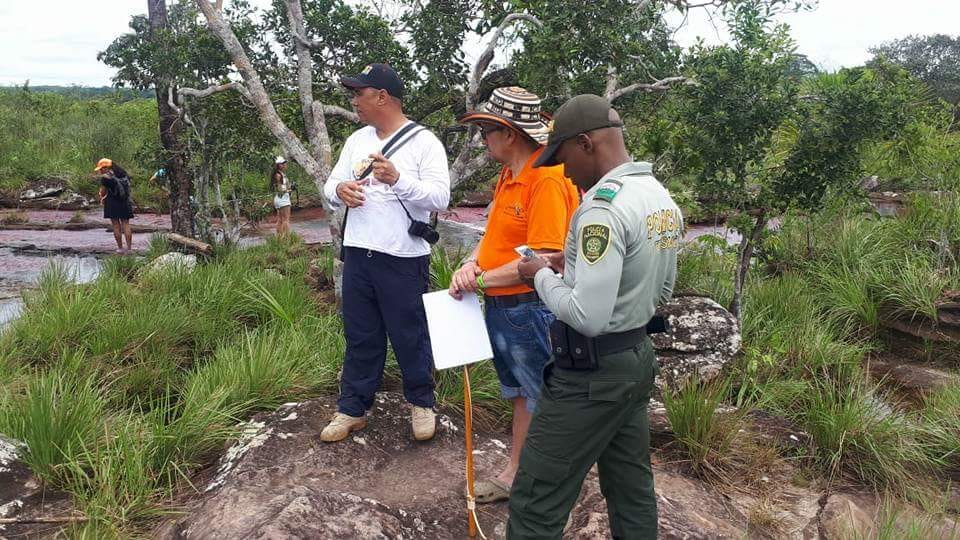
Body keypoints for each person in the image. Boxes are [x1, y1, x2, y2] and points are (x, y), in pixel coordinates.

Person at [508, 94, 683, 539]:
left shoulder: (601, 209)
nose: (563, 171)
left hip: (591, 373)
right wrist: (577, 269)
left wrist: (538, 276)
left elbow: (586, 316)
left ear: (586, 143)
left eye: (563, 156)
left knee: (536, 495)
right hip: (636, 359)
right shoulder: (657, 195)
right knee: (630, 485)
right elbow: (661, 288)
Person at [449, 87, 579, 503]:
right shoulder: (511, 176)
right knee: (524, 393)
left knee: (542, 395)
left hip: (531, 307)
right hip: (508, 306)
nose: (483, 137)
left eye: (488, 129)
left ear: (510, 134)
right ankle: (516, 473)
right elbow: (495, 238)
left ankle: (542, 485)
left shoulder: (546, 181)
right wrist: (473, 264)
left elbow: (546, 259)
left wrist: (479, 280)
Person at [321, 63, 451, 443]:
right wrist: (339, 190)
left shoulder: (424, 142)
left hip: (403, 256)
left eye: (358, 93)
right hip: (359, 252)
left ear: (382, 97)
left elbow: (440, 196)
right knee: (360, 334)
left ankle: (422, 403)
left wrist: (399, 179)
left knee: (409, 333)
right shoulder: (357, 140)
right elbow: (330, 184)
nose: (353, 101)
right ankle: (352, 408)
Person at [94, 158, 134, 254]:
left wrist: (101, 196)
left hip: (112, 203)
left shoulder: (105, 178)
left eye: (101, 169)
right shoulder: (123, 174)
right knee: (126, 224)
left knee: (116, 225)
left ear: (106, 167)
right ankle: (129, 248)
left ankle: (120, 248)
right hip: (125, 201)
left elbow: (103, 192)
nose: (100, 171)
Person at [271, 156, 292, 236]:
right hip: (283, 199)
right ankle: (286, 238)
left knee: (280, 219)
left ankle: (279, 238)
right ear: (279, 165)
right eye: (283, 163)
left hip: (279, 199)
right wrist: (289, 189)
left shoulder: (280, 174)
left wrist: (288, 187)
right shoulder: (278, 175)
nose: (285, 164)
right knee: (286, 220)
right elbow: (281, 189)